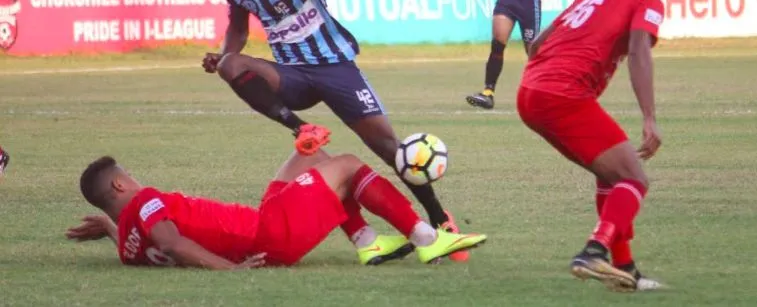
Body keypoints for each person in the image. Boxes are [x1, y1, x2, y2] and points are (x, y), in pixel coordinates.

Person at [202, 0, 469, 262]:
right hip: (292, 75)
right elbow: (237, 29)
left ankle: (440, 221)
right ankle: (300, 127)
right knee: (231, 64)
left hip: (335, 66)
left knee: (390, 148)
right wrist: (221, 55)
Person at [516, 0, 666, 293]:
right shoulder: (646, 0)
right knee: (634, 178)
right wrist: (649, 117)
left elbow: (537, 44)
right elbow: (638, 51)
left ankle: (625, 268)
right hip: (562, 96)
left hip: (530, 90)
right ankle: (594, 250)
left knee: (612, 174)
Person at [66, 152, 487, 269]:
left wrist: (108, 227)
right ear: (121, 185)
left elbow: (147, 240)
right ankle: (426, 237)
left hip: (259, 227)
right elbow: (171, 243)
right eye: (131, 176)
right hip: (267, 234)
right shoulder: (144, 202)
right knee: (346, 165)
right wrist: (231, 272)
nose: (137, 181)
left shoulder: (126, 245)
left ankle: (368, 242)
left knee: (308, 156)